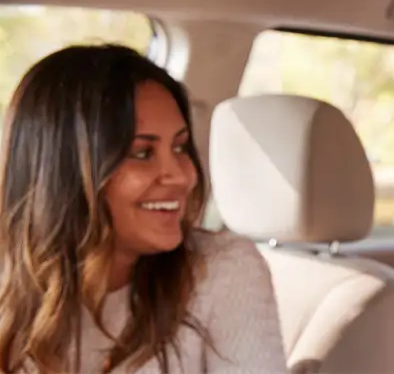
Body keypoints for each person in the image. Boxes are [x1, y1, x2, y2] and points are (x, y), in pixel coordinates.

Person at [0, 45, 287, 373]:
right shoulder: (9, 281)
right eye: (142, 153)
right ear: (64, 173)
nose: (182, 175)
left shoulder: (222, 270)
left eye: (180, 147)